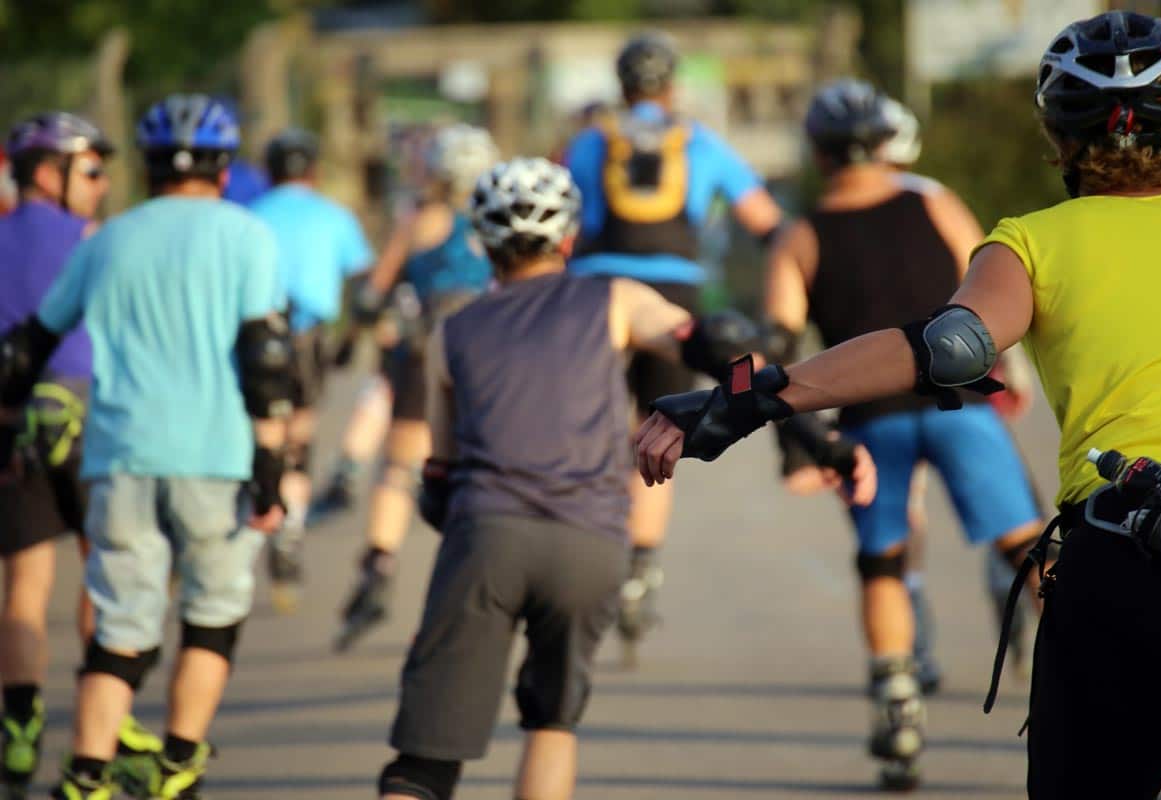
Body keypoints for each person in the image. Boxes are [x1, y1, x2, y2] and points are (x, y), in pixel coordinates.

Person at [638, 10, 1161, 797]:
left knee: (891, 561)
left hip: (1129, 551)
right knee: (1012, 542)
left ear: (1058, 135)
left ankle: (896, 687)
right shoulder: (934, 198)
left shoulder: (1034, 240)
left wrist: (751, 399)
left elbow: (951, 347)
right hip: (1033, 456)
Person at [376, 156, 821, 800]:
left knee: (420, 767)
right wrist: (807, 431)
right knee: (551, 724)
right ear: (568, 238)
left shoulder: (452, 331)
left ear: (484, 242)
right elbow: (718, 344)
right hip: (589, 543)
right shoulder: (614, 298)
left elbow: (440, 479)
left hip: (487, 539)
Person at [720, 78, 1046, 789]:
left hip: (870, 420)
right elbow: (991, 283)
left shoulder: (800, 235)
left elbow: (776, 344)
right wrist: (1012, 372)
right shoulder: (931, 200)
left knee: (884, 561)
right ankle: (1104, 681)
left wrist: (793, 441)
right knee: (1031, 550)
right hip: (960, 404)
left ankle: (897, 704)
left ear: (817, 151)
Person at [0, 93, 289, 799]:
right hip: (215, 455)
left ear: (150, 169)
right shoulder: (247, 235)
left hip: (121, 455)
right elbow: (265, 360)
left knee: (119, 629)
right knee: (209, 621)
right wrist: (274, 468)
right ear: (223, 171)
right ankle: (176, 767)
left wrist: (10, 425)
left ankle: (86, 774)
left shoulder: (107, 240)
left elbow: (27, 346)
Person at [564, 31, 784, 657]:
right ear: (672, 87)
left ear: (621, 85)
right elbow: (766, 223)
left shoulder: (589, 142)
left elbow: (564, 218)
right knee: (658, 429)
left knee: (588, 427)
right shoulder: (701, 143)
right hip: (677, 297)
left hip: (597, 294)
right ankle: (640, 570)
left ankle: (580, 548)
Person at [326, 123, 500, 650]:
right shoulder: (498, 225)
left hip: (424, 358)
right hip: (491, 362)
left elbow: (372, 294)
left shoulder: (421, 220)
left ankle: (379, 568)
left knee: (400, 471)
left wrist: (354, 338)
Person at [0, 111, 123, 798]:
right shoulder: (94, 241)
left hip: (14, 421)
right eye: (93, 170)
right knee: (105, 571)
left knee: (24, 584)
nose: (103, 186)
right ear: (51, 173)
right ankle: (101, 727)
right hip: (92, 417)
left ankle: (18, 727)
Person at [249, 128, 375, 613]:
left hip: (257, 330)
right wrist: (351, 341)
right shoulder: (333, 215)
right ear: (314, 171)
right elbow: (364, 288)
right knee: (299, 433)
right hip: (308, 337)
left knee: (263, 431)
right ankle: (290, 526)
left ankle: (260, 509)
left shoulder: (251, 214)